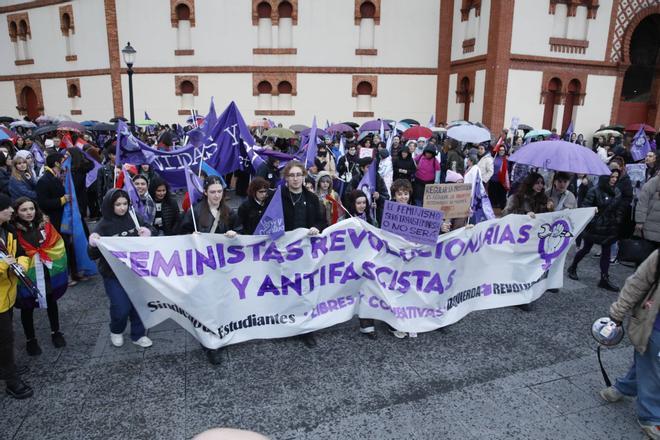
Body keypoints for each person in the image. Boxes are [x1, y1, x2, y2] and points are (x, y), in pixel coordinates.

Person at [599, 249, 660, 439]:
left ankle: (621, 388)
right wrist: (618, 313)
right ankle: (650, 417)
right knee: (654, 368)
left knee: (647, 363)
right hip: (655, 326)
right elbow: (637, 283)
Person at [88, 189, 153, 349]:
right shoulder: (102, 225)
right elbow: (92, 254)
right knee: (120, 306)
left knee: (138, 304)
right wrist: (93, 243)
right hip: (113, 275)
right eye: (118, 204)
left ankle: (138, 334)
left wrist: (149, 232)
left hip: (136, 271)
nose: (122, 208)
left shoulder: (134, 217)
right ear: (110, 205)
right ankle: (116, 330)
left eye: (125, 203)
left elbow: (150, 233)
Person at [11, 197, 68, 356]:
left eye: (31, 209)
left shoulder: (46, 226)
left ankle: (56, 332)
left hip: (45, 271)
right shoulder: (12, 230)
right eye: (23, 210)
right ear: (16, 212)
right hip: (26, 274)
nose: (29, 213)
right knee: (26, 306)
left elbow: (57, 243)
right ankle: (31, 340)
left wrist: (45, 253)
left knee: (51, 301)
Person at [281, 161, 326, 348]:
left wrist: (317, 227)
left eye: (299, 174)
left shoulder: (312, 198)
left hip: (306, 252)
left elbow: (321, 220)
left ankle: (306, 329)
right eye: (292, 175)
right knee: (285, 288)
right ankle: (286, 323)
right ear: (286, 178)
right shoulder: (278, 197)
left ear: (304, 176)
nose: (296, 178)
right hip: (283, 251)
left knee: (305, 290)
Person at [567, 170, 623, 291]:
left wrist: (617, 220)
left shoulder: (617, 191)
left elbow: (619, 208)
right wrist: (594, 221)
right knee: (586, 248)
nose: (614, 179)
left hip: (609, 226)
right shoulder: (594, 190)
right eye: (611, 177)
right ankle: (573, 267)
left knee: (606, 251)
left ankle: (604, 278)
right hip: (595, 226)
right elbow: (586, 207)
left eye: (616, 177)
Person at [0, 194, 33, 399]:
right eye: (6, 208)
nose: (12, 210)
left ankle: (6, 367)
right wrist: (7, 265)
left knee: (6, 336)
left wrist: (20, 264)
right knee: (5, 339)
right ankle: (11, 380)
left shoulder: (8, 229)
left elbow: (20, 252)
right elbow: (7, 261)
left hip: (7, 294)